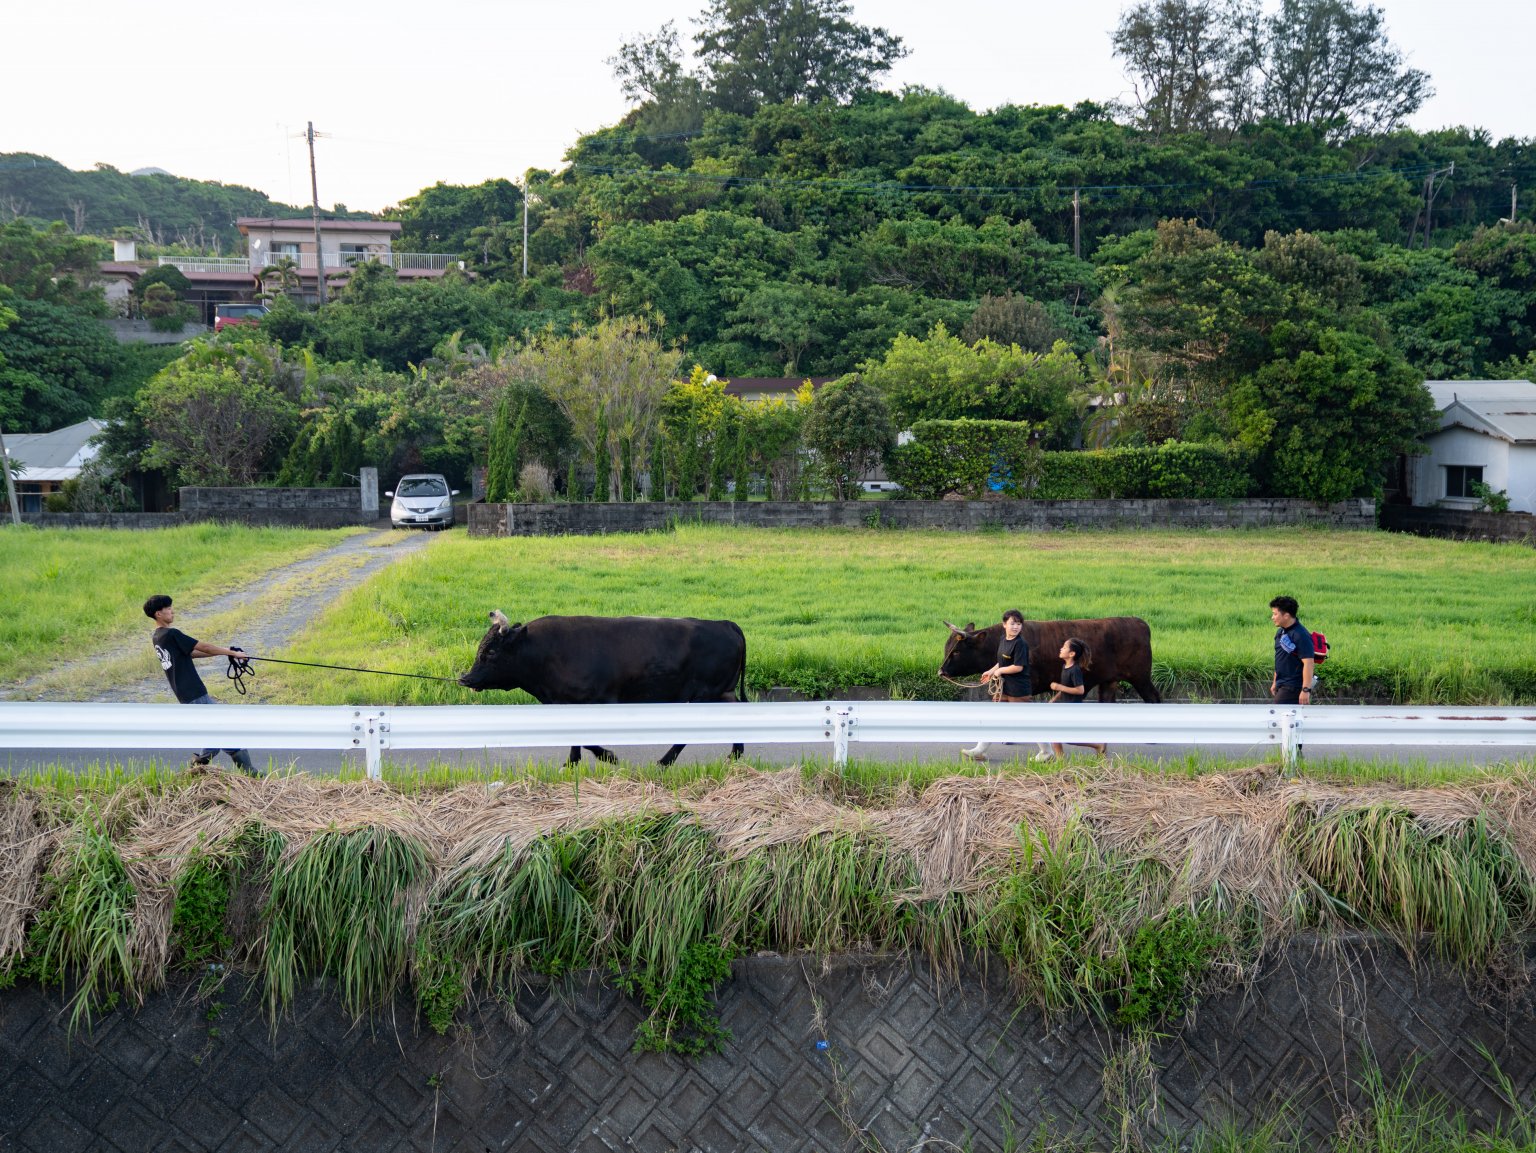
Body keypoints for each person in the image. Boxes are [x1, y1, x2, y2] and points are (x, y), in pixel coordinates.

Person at [144, 594, 258, 773]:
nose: (172, 611)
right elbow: (203, 646)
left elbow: (190, 654)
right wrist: (233, 653)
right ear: (159, 614)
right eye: (168, 609)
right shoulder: (171, 633)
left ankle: (198, 770)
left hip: (186, 693)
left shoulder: (158, 637)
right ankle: (248, 772)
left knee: (218, 732)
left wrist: (224, 653)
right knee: (221, 731)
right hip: (194, 692)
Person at [1047, 638, 1106, 759]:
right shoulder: (1065, 667)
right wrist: (1055, 699)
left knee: (1064, 737)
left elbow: (1080, 690)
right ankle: (1060, 761)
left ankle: (1098, 745)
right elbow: (1066, 687)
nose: (1061, 648)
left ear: (1071, 654)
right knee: (1053, 734)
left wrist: (1059, 686)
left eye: (1064, 647)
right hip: (1065, 706)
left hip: (1072, 707)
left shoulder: (1075, 670)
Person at [1269, 595, 1315, 707]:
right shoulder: (1281, 632)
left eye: (1275, 614)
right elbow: (1280, 658)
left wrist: (1305, 690)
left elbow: (1309, 663)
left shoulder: (1301, 635)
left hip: (1293, 686)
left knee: (1277, 716)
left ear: (1286, 616)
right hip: (1282, 683)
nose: (1272, 617)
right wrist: (1275, 681)